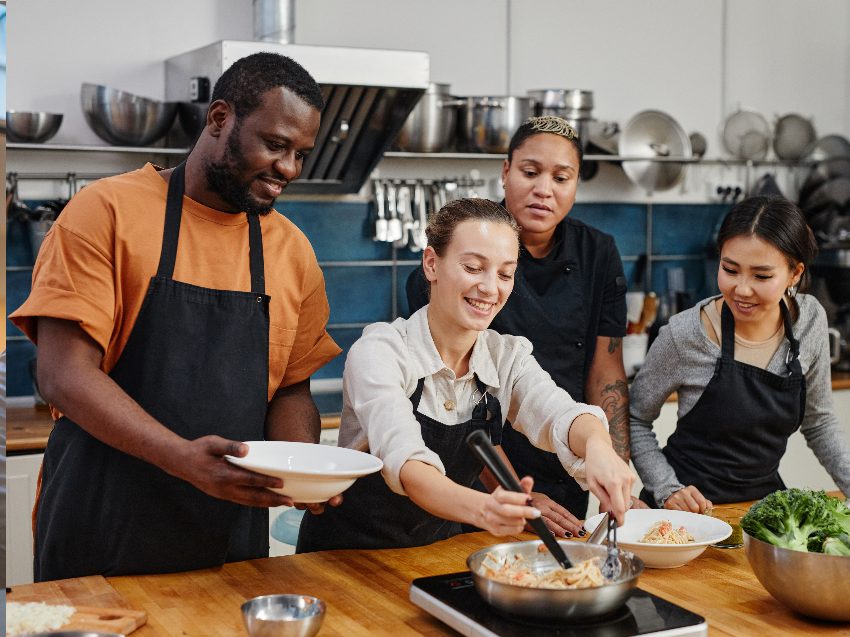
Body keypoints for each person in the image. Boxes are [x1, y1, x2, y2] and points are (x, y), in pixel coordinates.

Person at [9, 52, 343, 580]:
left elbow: (291, 388)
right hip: (102, 521)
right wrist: (183, 458)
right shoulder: (105, 212)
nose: (289, 169)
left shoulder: (292, 251)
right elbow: (64, 375)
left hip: (229, 534)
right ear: (219, 119)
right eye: (275, 145)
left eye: (300, 153)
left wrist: (303, 465)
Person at [297, 198, 634, 553]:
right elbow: (409, 464)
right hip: (346, 557)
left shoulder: (506, 357)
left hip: (434, 554)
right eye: (474, 268)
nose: (491, 288)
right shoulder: (381, 351)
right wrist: (487, 508)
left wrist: (599, 447)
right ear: (431, 264)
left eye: (505, 274)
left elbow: (559, 414)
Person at [407, 116, 633, 536]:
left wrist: (612, 463)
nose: (543, 189)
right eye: (530, 172)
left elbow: (603, 377)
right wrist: (516, 497)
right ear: (506, 171)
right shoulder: (441, 282)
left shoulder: (598, 253)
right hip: (476, 481)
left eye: (561, 176)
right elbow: (460, 407)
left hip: (570, 465)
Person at [630, 196, 850, 511]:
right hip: (683, 514)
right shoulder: (685, 334)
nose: (742, 289)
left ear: (794, 274)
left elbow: (819, 421)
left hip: (760, 509)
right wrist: (667, 489)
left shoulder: (810, 320)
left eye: (761, 276)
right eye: (730, 269)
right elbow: (635, 418)